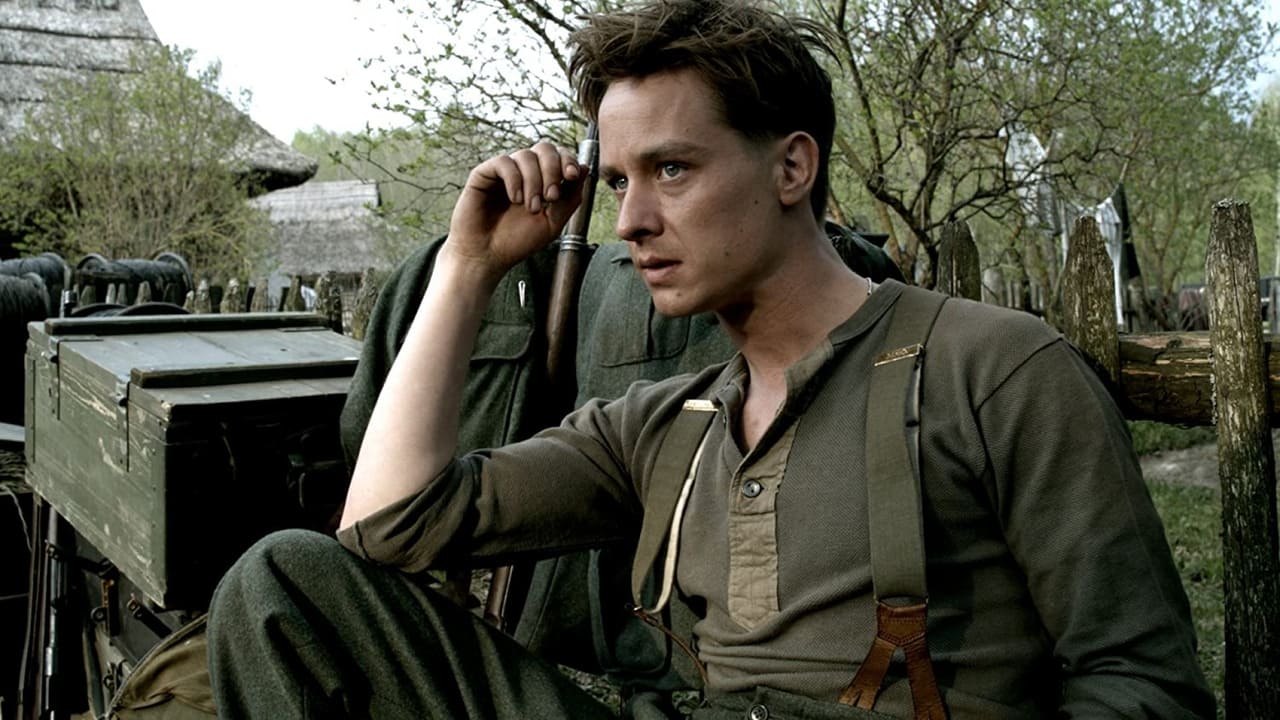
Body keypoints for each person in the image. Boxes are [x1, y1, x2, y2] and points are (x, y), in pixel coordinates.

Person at [206, 1, 1214, 718]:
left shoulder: (995, 371)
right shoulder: (666, 425)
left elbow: (1141, 682)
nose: (631, 221)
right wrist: (468, 269)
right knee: (283, 584)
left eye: (672, 170)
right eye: (617, 181)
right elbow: (386, 529)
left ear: (791, 166)